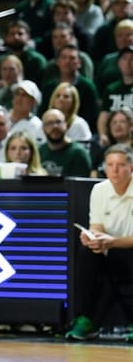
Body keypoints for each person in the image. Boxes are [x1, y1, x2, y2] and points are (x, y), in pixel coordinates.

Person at [65, 144, 133, 342]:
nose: (115, 170)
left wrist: (112, 242)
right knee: (86, 252)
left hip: (128, 249)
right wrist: (91, 237)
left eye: (120, 165)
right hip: (109, 249)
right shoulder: (99, 190)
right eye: (110, 164)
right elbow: (97, 226)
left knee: (120, 260)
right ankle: (85, 317)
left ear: (131, 167)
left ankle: (97, 321)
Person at [38, 109, 92, 177]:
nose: (55, 126)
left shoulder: (78, 153)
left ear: (66, 125)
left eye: (58, 122)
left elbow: (80, 185)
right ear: (43, 128)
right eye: (49, 123)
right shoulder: (40, 151)